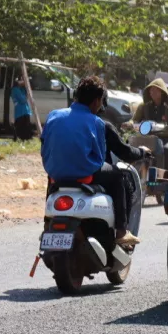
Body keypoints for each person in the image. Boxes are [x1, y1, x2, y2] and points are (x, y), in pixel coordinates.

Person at [41, 76, 139, 246]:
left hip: (55, 172)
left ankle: (47, 224)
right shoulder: (97, 122)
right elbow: (99, 157)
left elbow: (44, 145)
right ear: (97, 101)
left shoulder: (53, 115)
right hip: (85, 173)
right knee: (117, 176)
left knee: (51, 180)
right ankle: (122, 232)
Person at [132, 78, 168, 169]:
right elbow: (135, 120)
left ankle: (166, 173)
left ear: (161, 92)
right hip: (147, 137)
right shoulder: (144, 105)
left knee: (167, 149)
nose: (152, 92)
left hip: (166, 138)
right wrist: (128, 124)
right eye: (151, 90)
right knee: (133, 147)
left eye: (155, 90)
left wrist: (160, 131)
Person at [11, 76, 34, 141]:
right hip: (20, 112)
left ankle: (26, 140)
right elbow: (23, 100)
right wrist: (27, 96)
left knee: (27, 129)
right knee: (21, 129)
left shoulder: (22, 89)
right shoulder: (15, 89)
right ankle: (20, 140)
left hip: (25, 111)